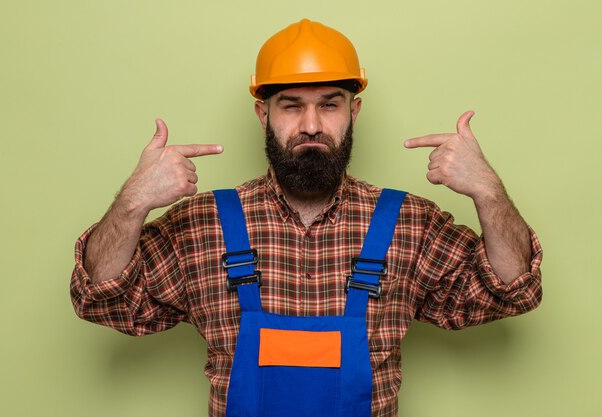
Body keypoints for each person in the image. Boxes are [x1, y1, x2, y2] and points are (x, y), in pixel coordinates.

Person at [70, 18, 542, 417]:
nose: (311, 125)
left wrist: (488, 191)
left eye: (329, 105)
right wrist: (133, 201)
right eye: (291, 105)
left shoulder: (407, 223)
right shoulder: (203, 224)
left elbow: (510, 291)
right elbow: (103, 300)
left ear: (354, 111)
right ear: (263, 114)